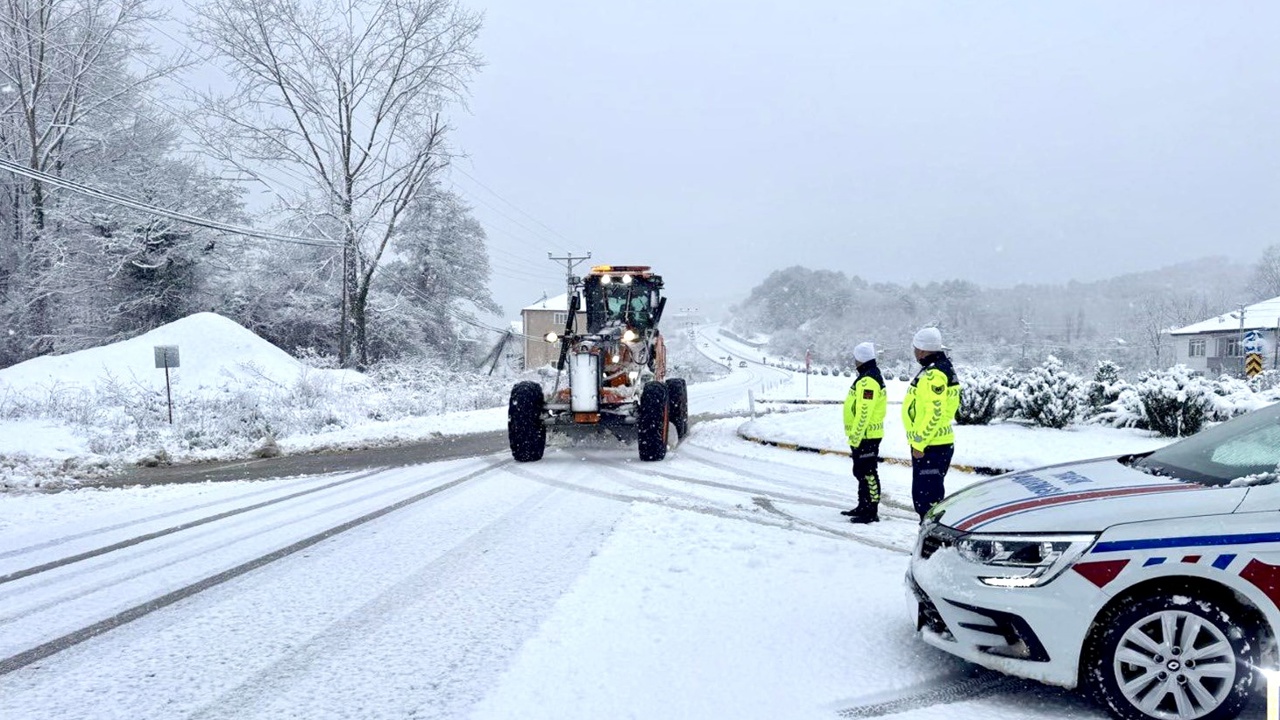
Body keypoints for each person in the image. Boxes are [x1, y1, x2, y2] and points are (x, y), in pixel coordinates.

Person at [902, 327, 961, 521]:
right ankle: (931, 544)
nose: (914, 352)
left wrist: (919, 444)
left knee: (927, 502)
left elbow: (934, 413)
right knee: (929, 498)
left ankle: (932, 546)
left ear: (922, 350)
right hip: (934, 444)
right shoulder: (939, 368)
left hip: (931, 446)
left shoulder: (935, 374)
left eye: (916, 348)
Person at [841, 341, 886, 523]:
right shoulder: (868, 376)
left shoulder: (868, 380)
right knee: (862, 472)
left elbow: (864, 412)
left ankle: (871, 511)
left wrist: (856, 437)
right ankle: (863, 505)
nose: (854, 362)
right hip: (864, 436)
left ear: (860, 359)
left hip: (866, 436)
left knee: (868, 473)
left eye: (856, 358)